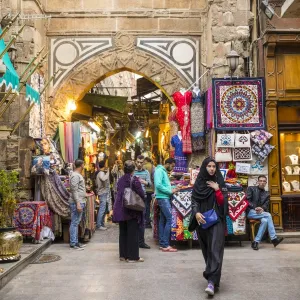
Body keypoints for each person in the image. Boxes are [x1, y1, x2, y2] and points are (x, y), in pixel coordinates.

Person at [188, 157, 228, 296]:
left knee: (215, 250)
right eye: (209, 166)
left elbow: (223, 204)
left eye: (214, 166)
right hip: (203, 221)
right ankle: (214, 279)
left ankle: (211, 281)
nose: (212, 168)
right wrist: (196, 213)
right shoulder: (199, 182)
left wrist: (217, 190)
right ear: (204, 167)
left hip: (216, 220)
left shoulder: (220, 182)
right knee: (207, 251)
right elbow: (194, 199)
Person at [113, 160, 145, 263]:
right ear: (133, 169)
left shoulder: (120, 180)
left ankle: (123, 255)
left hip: (121, 209)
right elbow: (141, 193)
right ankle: (132, 257)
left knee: (123, 233)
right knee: (133, 233)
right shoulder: (134, 180)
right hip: (131, 210)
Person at [246, 175, 284, 250]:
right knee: (268, 215)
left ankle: (256, 242)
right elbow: (247, 200)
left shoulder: (267, 194)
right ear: (257, 182)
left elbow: (266, 205)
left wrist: (262, 208)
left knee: (265, 220)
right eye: (260, 181)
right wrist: (255, 207)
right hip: (250, 212)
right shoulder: (251, 188)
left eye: (264, 181)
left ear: (266, 183)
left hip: (261, 213)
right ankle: (274, 239)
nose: (262, 182)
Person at [154, 157, 179, 252]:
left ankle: (162, 243)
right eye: (172, 166)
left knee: (163, 220)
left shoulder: (162, 171)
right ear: (168, 164)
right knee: (169, 218)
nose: (172, 168)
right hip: (163, 198)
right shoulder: (160, 171)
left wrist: (174, 187)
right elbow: (158, 185)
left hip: (164, 197)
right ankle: (165, 244)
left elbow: (163, 185)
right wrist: (170, 191)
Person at [134, 155, 152, 249]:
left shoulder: (146, 172)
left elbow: (149, 183)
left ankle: (141, 242)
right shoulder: (132, 172)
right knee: (134, 221)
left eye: (141, 162)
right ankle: (134, 241)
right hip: (133, 199)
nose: (139, 164)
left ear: (143, 162)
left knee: (142, 221)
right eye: (138, 162)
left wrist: (143, 182)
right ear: (135, 162)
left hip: (142, 198)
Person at [69, 159, 87, 250]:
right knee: (75, 222)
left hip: (80, 201)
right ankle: (73, 243)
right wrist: (78, 203)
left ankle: (75, 241)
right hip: (77, 202)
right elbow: (74, 190)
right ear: (81, 165)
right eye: (84, 164)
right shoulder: (75, 176)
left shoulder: (77, 175)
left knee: (76, 222)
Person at [96, 160, 110, 230]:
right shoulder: (101, 173)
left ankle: (101, 223)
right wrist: (108, 172)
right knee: (102, 209)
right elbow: (104, 179)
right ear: (104, 166)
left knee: (103, 209)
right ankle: (99, 225)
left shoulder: (101, 173)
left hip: (103, 193)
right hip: (102, 193)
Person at [143, 157, 155, 228]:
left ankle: (145, 221)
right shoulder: (153, 167)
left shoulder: (143, 167)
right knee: (149, 205)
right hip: (151, 189)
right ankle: (147, 221)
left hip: (144, 188)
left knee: (145, 205)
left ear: (146, 160)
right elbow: (154, 178)